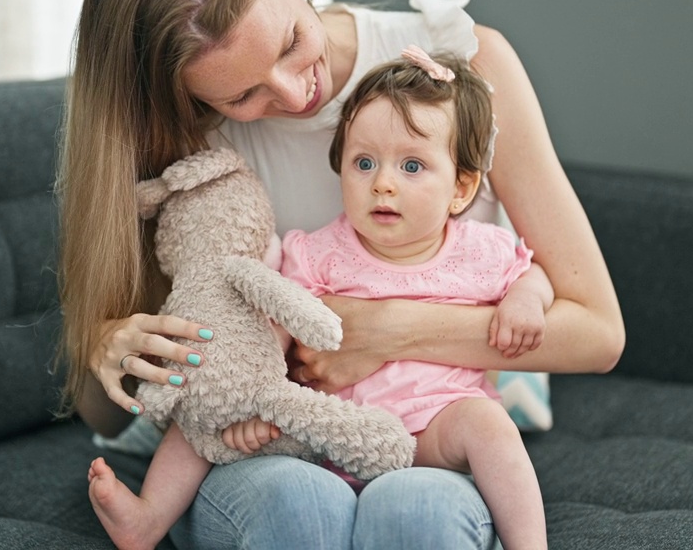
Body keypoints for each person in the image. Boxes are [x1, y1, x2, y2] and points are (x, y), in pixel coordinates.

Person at [58, 0, 624, 550]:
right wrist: (112, 346)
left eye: (290, 43)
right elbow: (108, 412)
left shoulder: (461, 66)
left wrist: (382, 329)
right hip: (273, 440)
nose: (295, 94)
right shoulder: (189, 144)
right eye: (242, 97)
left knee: (421, 514)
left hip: (428, 428)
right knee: (296, 505)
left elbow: (598, 333)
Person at [88, 47, 554, 549]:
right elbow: (274, 339)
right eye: (364, 162)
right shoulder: (317, 253)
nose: (383, 184)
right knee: (220, 376)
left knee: (487, 423)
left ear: (461, 188)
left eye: (413, 166)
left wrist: (526, 298)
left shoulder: (481, 250)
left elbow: (534, 272)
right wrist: (254, 410)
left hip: (435, 428)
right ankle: (149, 517)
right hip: (328, 431)